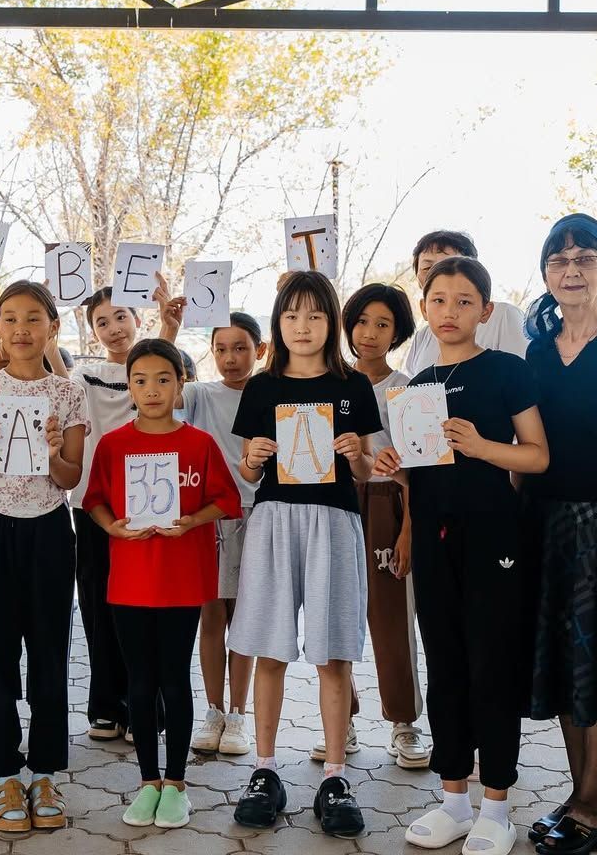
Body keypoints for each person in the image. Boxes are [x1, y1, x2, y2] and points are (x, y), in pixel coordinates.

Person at [374, 256, 548, 855]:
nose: (450, 311)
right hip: (434, 541)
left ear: (486, 310)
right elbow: (422, 473)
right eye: (439, 300)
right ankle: (452, 801)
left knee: (491, 667)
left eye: (464, 301)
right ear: (425, 309)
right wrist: (396, 469)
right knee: (445, 664)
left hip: (494, 539)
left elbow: (537, 456)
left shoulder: (507, 371)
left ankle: (496, 807)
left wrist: (481, 445)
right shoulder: (414, 387)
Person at [230, 271, 380, 839]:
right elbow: (248, 471)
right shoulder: (261, 388)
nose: (303, 326)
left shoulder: (353, 385)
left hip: (335, 522)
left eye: (315, 315)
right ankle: (265, 771)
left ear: (331, 323)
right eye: (292, 315)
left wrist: (356, 452)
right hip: (274, 521)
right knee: (270, 648)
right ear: (278, 323)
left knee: (332, 653)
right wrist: (253, 458)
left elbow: (365, 468)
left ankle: (335, 777)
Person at [84, 338, 240, 829]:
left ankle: (176, 784)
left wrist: (191, 521)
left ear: (180, 385)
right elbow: (93, 500)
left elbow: (227, 500)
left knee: (173, 677)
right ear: (129, 387)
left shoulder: (199, 443)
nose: (151, 390)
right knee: (140, 681)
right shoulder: (113, 444)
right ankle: (147, 782)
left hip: (180, 581)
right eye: (140, 380)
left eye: (163, 379)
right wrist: (113, 528)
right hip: (130, 581)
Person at [0, 281, 87, 833]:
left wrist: (54, 454)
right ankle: (6, 774)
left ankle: (46, 772)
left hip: (50, 529)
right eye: (9, 318)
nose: (21, 329)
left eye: (34, 318)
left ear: (52, 328)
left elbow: (70, 478)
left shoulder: (68, 393)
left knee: (50, 651)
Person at [524, 214, 597, 855]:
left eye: (584, 257)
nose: (571, 269)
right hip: (549, 522)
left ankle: (594, 807)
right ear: (546, 273)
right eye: (559, 259)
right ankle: (581, 799)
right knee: (566, 664)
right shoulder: (538, 352)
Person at [69, 281, 183, 742]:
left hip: (149, 503)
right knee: (98, 605)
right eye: (102, 321)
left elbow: (161, 375)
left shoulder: (157, 371)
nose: (114, 327)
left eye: (121, 316)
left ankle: (146, 710)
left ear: (138, 319)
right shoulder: (84, 376)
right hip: (94, 505)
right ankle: (105, 706)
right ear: (92, 330)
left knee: (146, 608)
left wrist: (170, 328)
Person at [324, 284, 429, 769]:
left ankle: (403, 722)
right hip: (335, 501)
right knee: (333, 613)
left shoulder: (407, 389)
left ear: (398, 332)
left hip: (389, 503)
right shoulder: (328, 382)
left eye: (383, 324)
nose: (370, 333)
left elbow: (418, 467)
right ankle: (340, 720)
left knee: (391, 620)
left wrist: (408, 529)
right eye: (362, 321)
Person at [170, 313, 267, 757]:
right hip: (206, 516)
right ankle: (213, 711)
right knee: (211, 617)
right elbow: (162, 388)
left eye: (241, 348)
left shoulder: (270, 394)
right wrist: (170, 327)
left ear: (260, 350)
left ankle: (239, 714)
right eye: (222, 349)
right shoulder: (200, 394)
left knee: (245, 619)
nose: (231, 358)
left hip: (257, 514)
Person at [401, 230, 527, 376]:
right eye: (427, 268)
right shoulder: (422, 338)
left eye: (449, 265)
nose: (439, 273)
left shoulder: (504, 316)